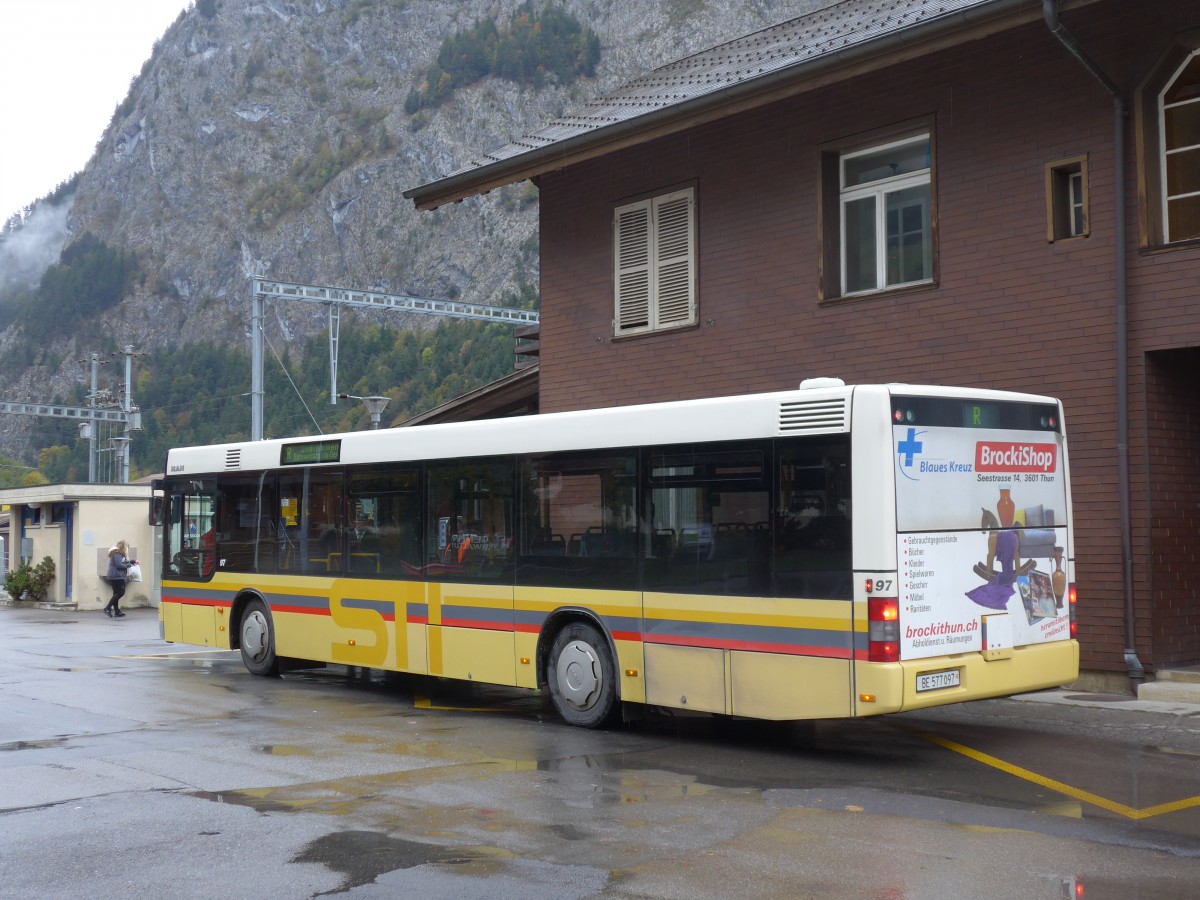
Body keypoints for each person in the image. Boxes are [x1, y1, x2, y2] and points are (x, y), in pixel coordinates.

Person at [104, 540, 137, 619]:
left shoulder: (119, 554)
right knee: (121, 592)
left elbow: (122, 562)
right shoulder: (117, 554)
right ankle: (107, 608)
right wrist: (129, 565)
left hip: (115, 576)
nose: (127, 549)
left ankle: (116, 611)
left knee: (116, 594)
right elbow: (119, 565)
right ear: (123, 547)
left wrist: (131, 562)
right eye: (127, 547)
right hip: (117, 576)